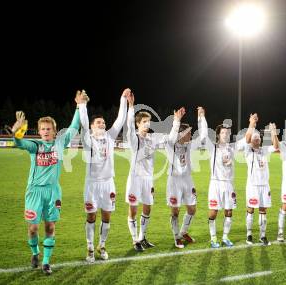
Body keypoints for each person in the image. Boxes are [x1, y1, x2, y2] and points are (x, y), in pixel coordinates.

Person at [11, 91, 84, 275]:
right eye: (42, 129)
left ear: (54, 130)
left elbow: (74, 127)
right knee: (34, 228)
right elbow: (20, 143)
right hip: (34, 191)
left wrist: (78, 106)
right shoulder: (35, 146)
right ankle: (35, 252)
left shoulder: (60, 143)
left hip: (53, 191)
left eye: (48, 129)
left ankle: (45, 262)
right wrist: (16, 133)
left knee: (50, 226)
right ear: (39, 131)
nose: (45, 132)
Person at [79, 88, 129, 262]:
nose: (102, 124)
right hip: (92, 184)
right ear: (93, 126)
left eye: (103, 122)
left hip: (108, 183)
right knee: (91, 216)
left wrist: (123, 99)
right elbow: (84, 123)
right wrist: (82, 105)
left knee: (107, 216)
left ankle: (102, 245)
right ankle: (90, 247)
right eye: (99, 122)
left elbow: (120, 119)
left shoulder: (109, 137)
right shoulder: (88, 139)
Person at [200, 113, 246, 248]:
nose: (226, 134)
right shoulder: (212, 147)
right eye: (223, 132)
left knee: (229, 211)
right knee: (214, 212)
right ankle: (213, 238)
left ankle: (225, 237)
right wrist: (202, 117)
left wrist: (251, 124)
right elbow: (203, 134)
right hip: (216, 183)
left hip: (229, 184)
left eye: (227, 132)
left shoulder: (232, 148)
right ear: (218, 134)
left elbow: (245, 140)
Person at [166, 107, 206, 249]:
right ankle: (176, 236)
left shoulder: (189, 145)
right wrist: (176, 121)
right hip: (174, 181)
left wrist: (201, 118)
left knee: (192, 209)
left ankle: (183, 232)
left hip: (188, 179)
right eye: (188, 133)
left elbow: (203, 137)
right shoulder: (170, 145)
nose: (190, 136)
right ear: (180, 134)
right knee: (175, 210)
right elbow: (171, 138)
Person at [125, 93, 158, 251]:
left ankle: (142, 237)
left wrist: (176, 122)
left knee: (148, 208)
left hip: (148, 179)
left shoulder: (151, 139)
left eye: (148, 121)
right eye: (144, 122)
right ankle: (134, 240)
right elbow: (129, 127)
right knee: (133, 209)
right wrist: (131, 107)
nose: (147, 124)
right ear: (138, 124)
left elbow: (170, 139)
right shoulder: (134, 138)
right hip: (135, 179)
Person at [242, 114, 277, 246]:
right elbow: (246, 138)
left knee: (263, 211)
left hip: (264, 186)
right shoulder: (248, 151)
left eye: (258, 138)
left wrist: (273, 132)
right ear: (251, 140)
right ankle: (249, 235)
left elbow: (276, 146)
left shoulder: (264, 150)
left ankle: (262, 236)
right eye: (254, 138)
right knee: (250, 209)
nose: (257, 140)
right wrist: (252, 123)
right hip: (252, 186)